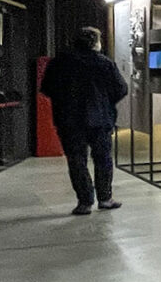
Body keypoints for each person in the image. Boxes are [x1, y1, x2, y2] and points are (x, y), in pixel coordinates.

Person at [40, 26, 128, 215]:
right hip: (100, 119)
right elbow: (121, 89)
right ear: (96, 42)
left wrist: (64, 102)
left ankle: (85, 201)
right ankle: (105, 198)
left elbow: (46, 88)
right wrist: (105, 102)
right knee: (103, 159)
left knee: (76, 160)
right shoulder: (104, 63)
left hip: (68, 120)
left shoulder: (59, 63)